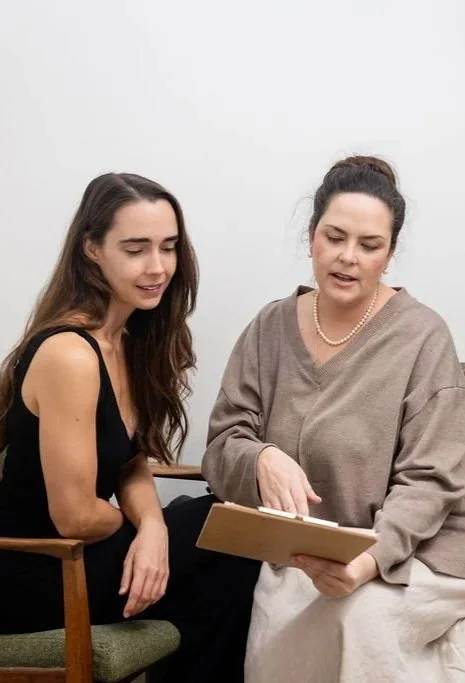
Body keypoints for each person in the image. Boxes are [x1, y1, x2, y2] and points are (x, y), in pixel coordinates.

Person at [201, 156, 465, 682]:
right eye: (334, 237)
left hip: (415, 550)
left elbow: (429, 481)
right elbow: (223, 443)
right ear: (311, 238)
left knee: (358, 619)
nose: (348, 257)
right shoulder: (269, 327)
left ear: (389, 255)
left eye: (370, 245)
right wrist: (261, 458)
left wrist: (368, 561)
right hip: (303, 553)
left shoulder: (423, 337)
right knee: (284, 636)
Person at [0, 172, 260, 683]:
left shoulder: (129, 340)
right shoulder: (70, 354)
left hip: (85, 558)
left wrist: (156, 528)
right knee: (225, 528)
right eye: (136, 249)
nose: (157, 267)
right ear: (92, 249)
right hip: (38, 571)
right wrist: (146, 531)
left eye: (169, 247)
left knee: (224, 567)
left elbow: (129, 461)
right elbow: (75, 516)